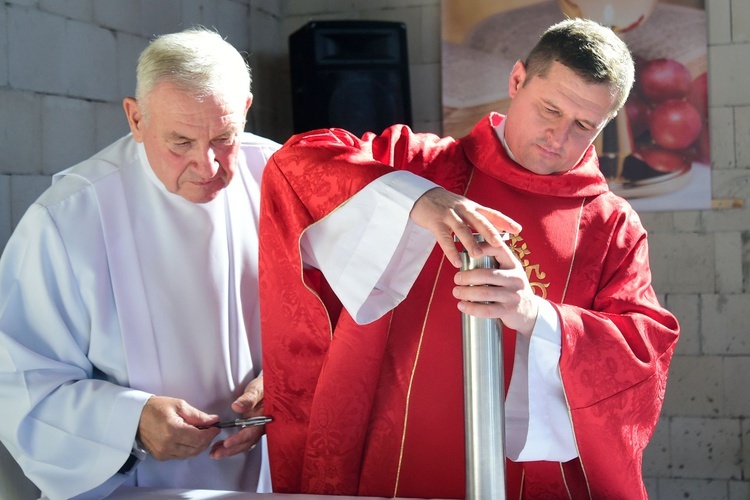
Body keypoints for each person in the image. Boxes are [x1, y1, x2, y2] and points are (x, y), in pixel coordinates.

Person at [258, 18, 680, 499]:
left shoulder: (609, 226)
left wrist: (537, 317)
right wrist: (413, 198)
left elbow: (644, 348)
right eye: (549, 108)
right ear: (517, 80)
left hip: (522, 475)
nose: (557, 136)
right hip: (391, 452)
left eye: (583, 125)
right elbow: (296, 164)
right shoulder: (417, 163)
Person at [0, 28, 279, 499]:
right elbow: (18, 381)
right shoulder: (66, 218)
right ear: (135, 118)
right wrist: (129, 420)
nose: (208, 166)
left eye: (224, 137)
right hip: (129, 485)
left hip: (268, 477)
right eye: (180, 142)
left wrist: (285, 381)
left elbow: (343, 312)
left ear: (246, 109)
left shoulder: (279, 176)